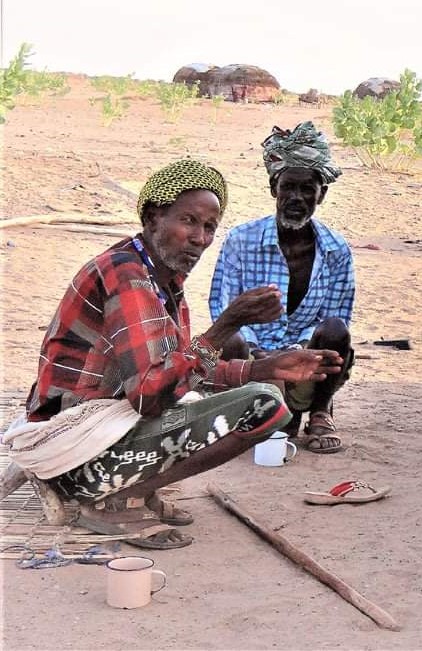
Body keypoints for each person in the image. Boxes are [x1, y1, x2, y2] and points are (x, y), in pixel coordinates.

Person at [3, 159, 343, 550]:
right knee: (264, 405)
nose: (200, 237)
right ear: (152, 218)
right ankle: (108, 497)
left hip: (94, 432)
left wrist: (263, 367)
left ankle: (130, 488)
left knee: (256, 392)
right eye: (189, 221)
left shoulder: (162, 280)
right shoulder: (126, 275)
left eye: (210, 227)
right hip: (73, 450)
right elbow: (151, 394)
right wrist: (226, 325)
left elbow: (179, 368)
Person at [209, 122, 355, 454]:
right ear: (274, 188)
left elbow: (336, 316)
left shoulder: (335, 249)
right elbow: (223, 309)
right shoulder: (241, 241)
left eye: (308, 190)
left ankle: (319, 409)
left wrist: (297, 354)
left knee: (336, 331)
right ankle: (254, 411)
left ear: (323, 194)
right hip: (252, 359)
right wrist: (264, 357)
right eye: (288, 187)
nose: (296, 198)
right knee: (228, 337)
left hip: (305, 362)